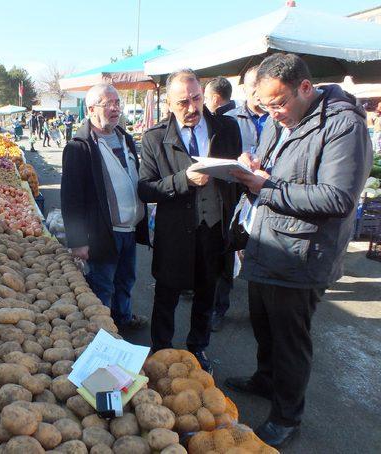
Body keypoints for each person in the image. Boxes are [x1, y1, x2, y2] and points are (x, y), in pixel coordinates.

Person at [225, 53, 373, 448]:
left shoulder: (343, 125)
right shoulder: (283, 120)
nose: (272, 114)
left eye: (278, 104)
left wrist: (266, 188)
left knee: (290, 338)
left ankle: (287, 416)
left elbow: (338, 198)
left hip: (304, 253)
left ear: (305, 88)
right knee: (263, 321)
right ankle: (266, 379)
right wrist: (254, 165)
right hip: (268, 241)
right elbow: (276, 167)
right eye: (266, 106)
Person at [138, 69, 241, 373]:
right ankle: (161, 351)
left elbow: (235, 178)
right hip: (175, 233)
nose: (193, 107)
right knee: (167, 295)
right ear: (168, 103)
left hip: (213, 229)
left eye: (197, 98)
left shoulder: (226, 128)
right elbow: (145, 189)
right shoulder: (155, 138)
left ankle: (198, 349)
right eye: (183, 102)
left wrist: (244, 169)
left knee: (206, 293)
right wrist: (183, 180)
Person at [61, 83, 149, 329]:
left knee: (126, 280)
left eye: (117, 103)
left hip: (129, 230)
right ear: (90, 109)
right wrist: (78, 241)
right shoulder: (79, 147)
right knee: (103, 284)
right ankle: (103, 332)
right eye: (107, 103)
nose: (115, 108)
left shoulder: (126, 139)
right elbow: (71, 198)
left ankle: (123, 318)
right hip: (103, 233)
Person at [210, 66, 270, 332]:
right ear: (244, 89)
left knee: (265, 253)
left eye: (261, 85)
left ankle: (263, 313)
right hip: (234, 194)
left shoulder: (279, 117)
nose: (257, 92)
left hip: (269, 195)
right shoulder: (228, 118)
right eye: (252, 86)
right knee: (227, 251)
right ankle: (219, 308)